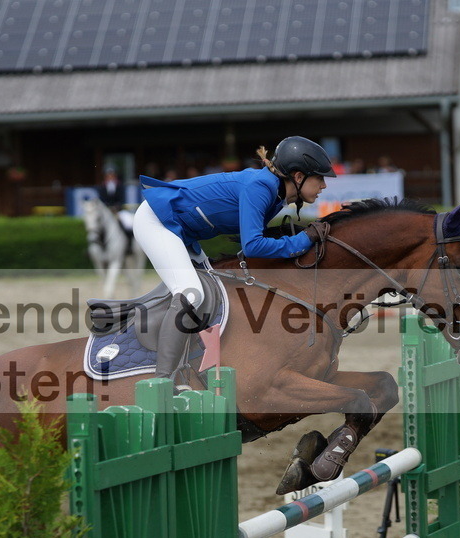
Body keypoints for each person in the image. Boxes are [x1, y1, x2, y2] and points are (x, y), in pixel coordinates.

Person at [132, 135, 334, 383]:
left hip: (182, 232)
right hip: (157, 221)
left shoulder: (276, 193)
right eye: (320, 177)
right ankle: (163, 381)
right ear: (299, 176)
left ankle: (190, 362)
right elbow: (253, 246)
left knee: (215, 290)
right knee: (191, 293)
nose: (324, 185)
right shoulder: (261, 187)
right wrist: (305, 239)